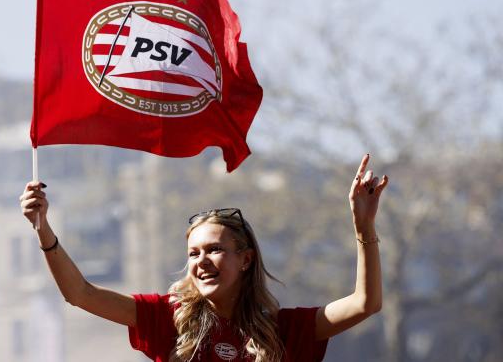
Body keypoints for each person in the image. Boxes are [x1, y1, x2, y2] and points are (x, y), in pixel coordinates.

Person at [19, 154, 388, 361]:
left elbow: (365, 303)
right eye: (194, 253)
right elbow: (80, 294)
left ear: (245, 260)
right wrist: (42, 229)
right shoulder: (165, 318)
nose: (202, 261)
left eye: (214, 250)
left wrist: (363, 226)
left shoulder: (285, 329)